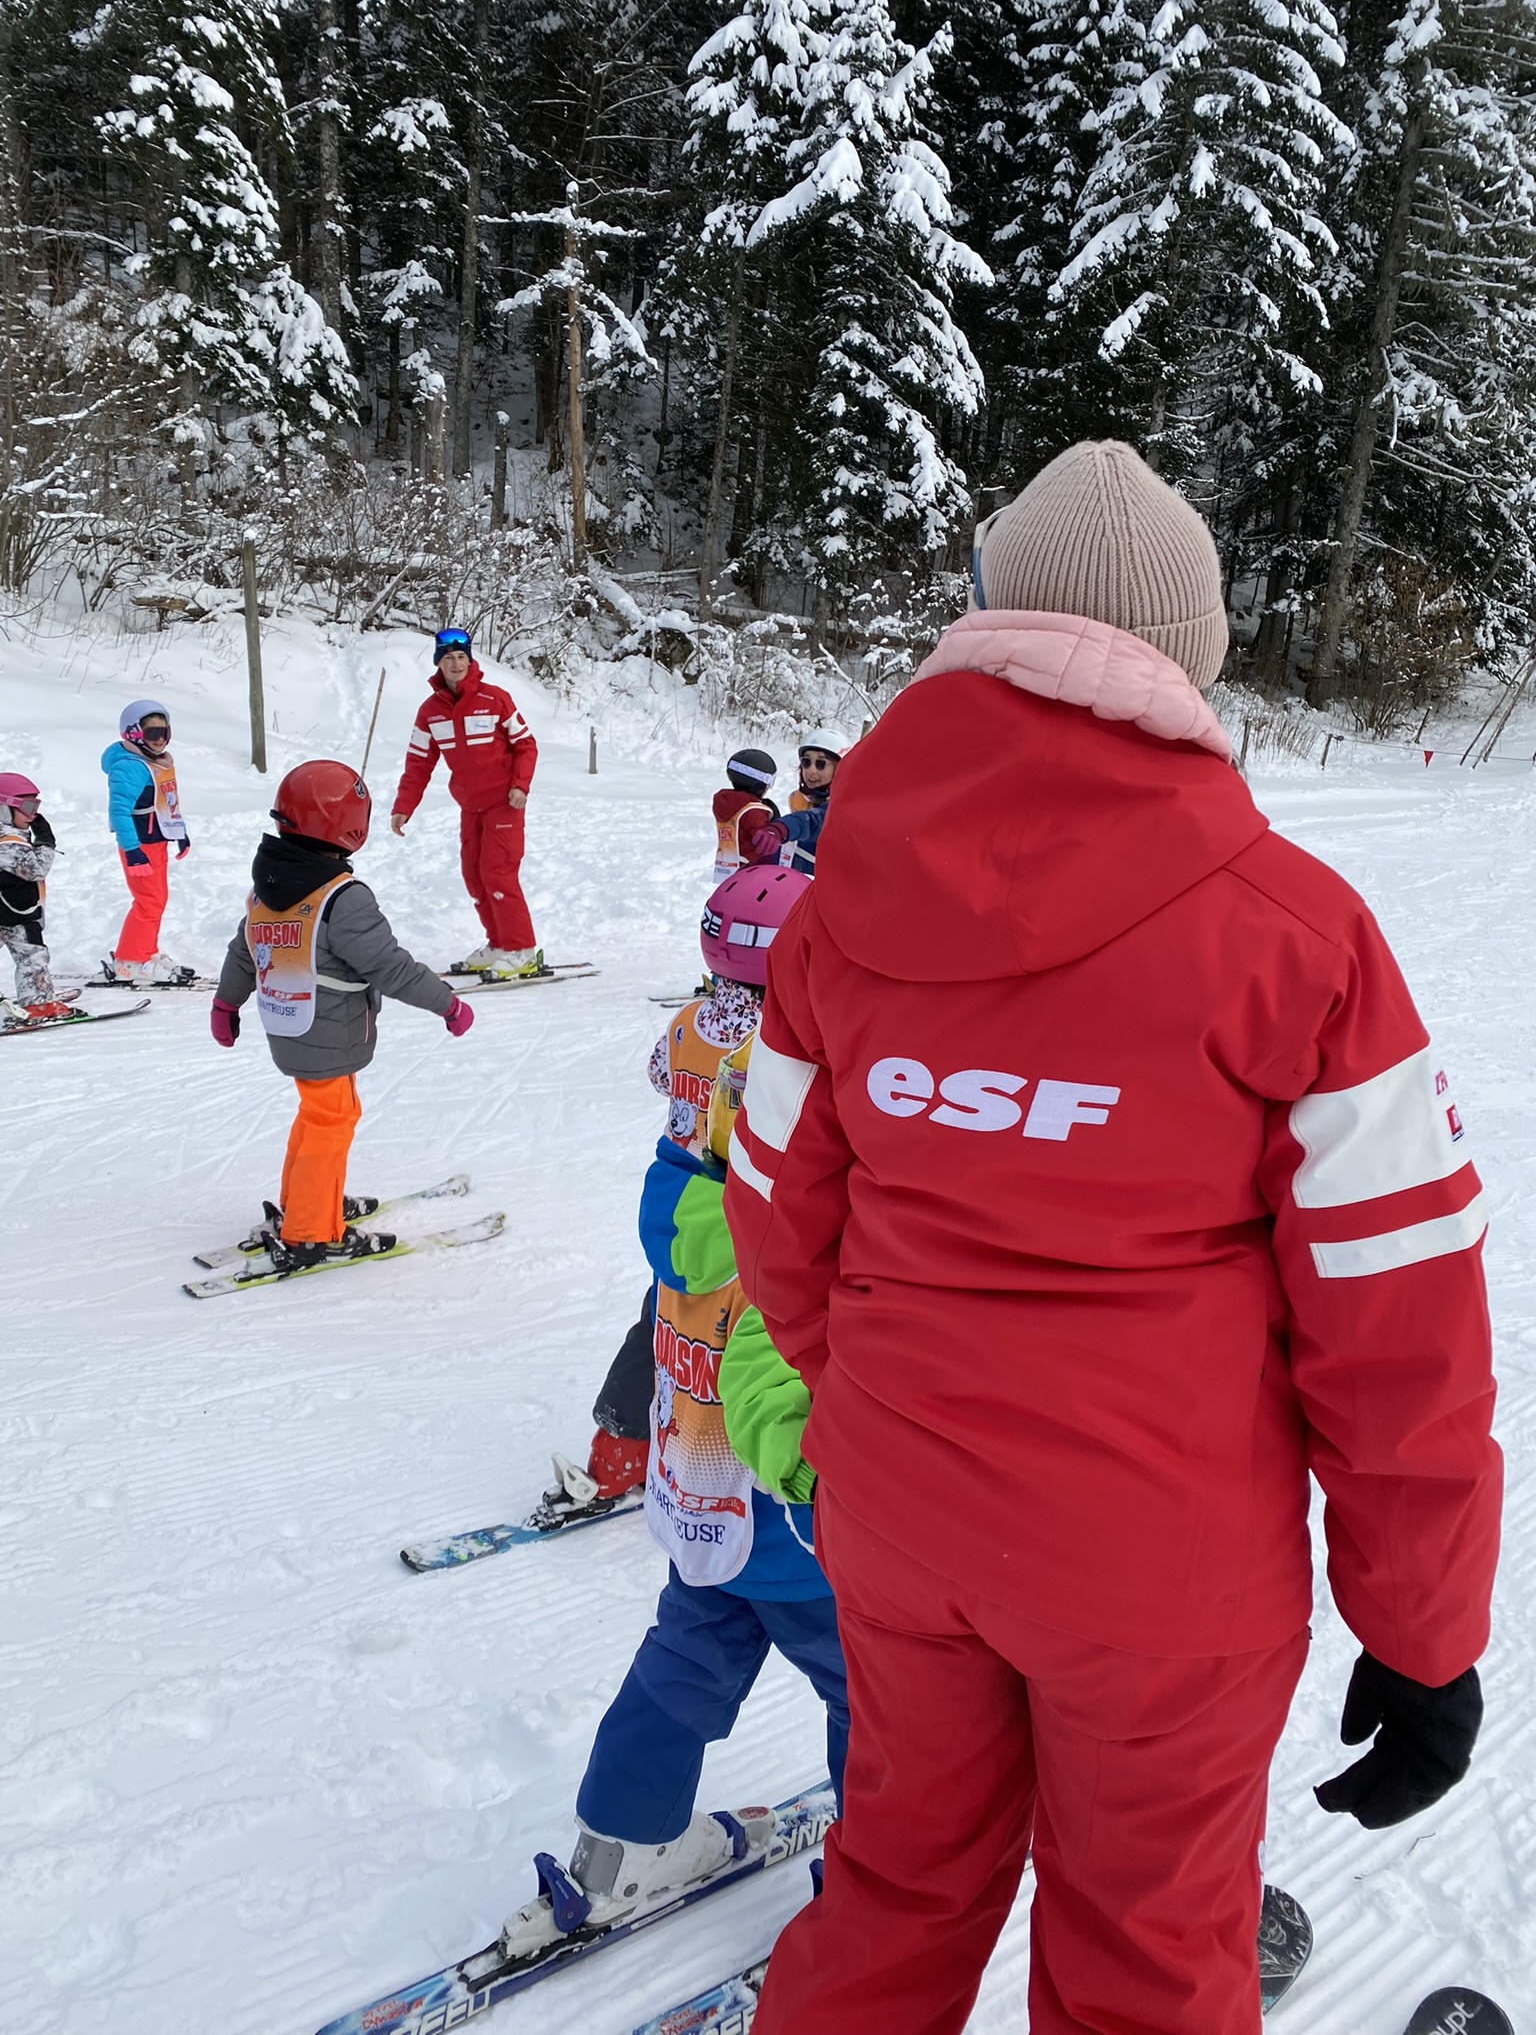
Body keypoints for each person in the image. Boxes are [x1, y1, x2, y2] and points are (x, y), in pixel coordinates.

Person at [724, 440, 1501, 2035]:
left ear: (983, 618)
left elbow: (774, 1222)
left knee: (899, 1884)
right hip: (1161, 1566)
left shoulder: (833, 917)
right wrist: (1422, 1632)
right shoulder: (1297, 938)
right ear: (1186, 662)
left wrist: (884, 1412)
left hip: (906, 1518)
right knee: (1150, 1944)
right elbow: (1398, 1317)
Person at [494, 1030, 846, 1965]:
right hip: (805, 1543)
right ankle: (867, 1909)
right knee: (879, 1708)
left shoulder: (689, 1205)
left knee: (680, 1671)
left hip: (703, 1516)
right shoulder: (797, 1244)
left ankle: (615, 1850)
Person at [540, 864, 812, 1523]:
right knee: (764, 1344)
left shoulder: (689, 1021)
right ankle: (752, 1480)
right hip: (746, 1217)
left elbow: (662, 1076)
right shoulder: (778, 1045)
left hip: (676, 1207)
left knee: (662, 1326)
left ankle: (617, 1454)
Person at [211, 760, 475, 1273]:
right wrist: (447, 1002)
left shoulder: (269, 884)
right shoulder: (341, 898)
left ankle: (306, 1202)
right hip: (329, 1032)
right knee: (331, 1122)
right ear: (349, 826)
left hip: (288, 1023)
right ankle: (310, 1231)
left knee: (315, 1117)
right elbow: (391, 969)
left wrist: (227, 1003)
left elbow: (245, 950)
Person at [390, 627, 541, 980]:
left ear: (469, 660)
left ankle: (522, 950)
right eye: (448, 658)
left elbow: (526, 745)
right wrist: (403, 806)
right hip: (470, 806)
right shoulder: (431, 711)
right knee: (474, 876)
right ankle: (500, 944)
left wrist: (520, 785)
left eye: (461, 657)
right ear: (438, 663)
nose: (456, 664)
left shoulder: (495, 698)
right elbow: (418, 762)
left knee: (498, 873)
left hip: (505, 803)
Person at [101, 699, 193, 983]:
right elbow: (119, 811)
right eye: (153, 733)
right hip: (139, 844)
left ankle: (145, 951)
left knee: (156, 900)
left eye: (165, 732)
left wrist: (179, 832)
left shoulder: (155, 762)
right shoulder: (130, 767)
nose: (161, 739)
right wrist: (132, 851)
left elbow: (166, 802)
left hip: (156, 841)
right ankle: (130, 961)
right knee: (148, 902)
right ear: (133, 734)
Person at [0, 774, 75, 1024]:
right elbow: (35, 869)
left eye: (37, 807)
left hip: (10, 910)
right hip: (15, 915)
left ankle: (38, 997)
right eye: (28, 807)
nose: (34, 814)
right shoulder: (7, 842)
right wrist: (45, 843)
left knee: (30, 956)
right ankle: (37, 1004)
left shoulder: (12, 836)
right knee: (32, 958)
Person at [748, 726, 848, 873]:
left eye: (821, 764)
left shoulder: (845, 804)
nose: (811, 770)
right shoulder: (803, 799)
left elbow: (813, 821)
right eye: (806, 762)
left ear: (840, 769)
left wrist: (782, 828)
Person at [713, 747, 780, 882]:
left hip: (728, 870)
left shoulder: (727, 803)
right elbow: (764, 844)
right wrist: (776, 825)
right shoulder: (753, 811)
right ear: (758, 785)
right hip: (753, 872)